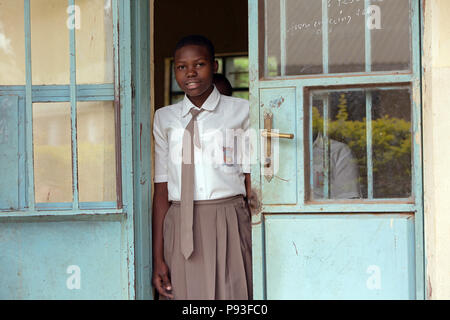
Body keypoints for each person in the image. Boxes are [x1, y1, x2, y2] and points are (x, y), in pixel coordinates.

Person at [152, 35, 252, 300]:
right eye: (181, 67)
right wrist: (158, 258)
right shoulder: (164, 118)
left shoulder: (242, 111)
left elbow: (253, 181)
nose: (190, 73)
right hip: (180, 224)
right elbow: (161, 190)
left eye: (199, 64)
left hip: (229, 218)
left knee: (231, 295)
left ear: (215, 66)